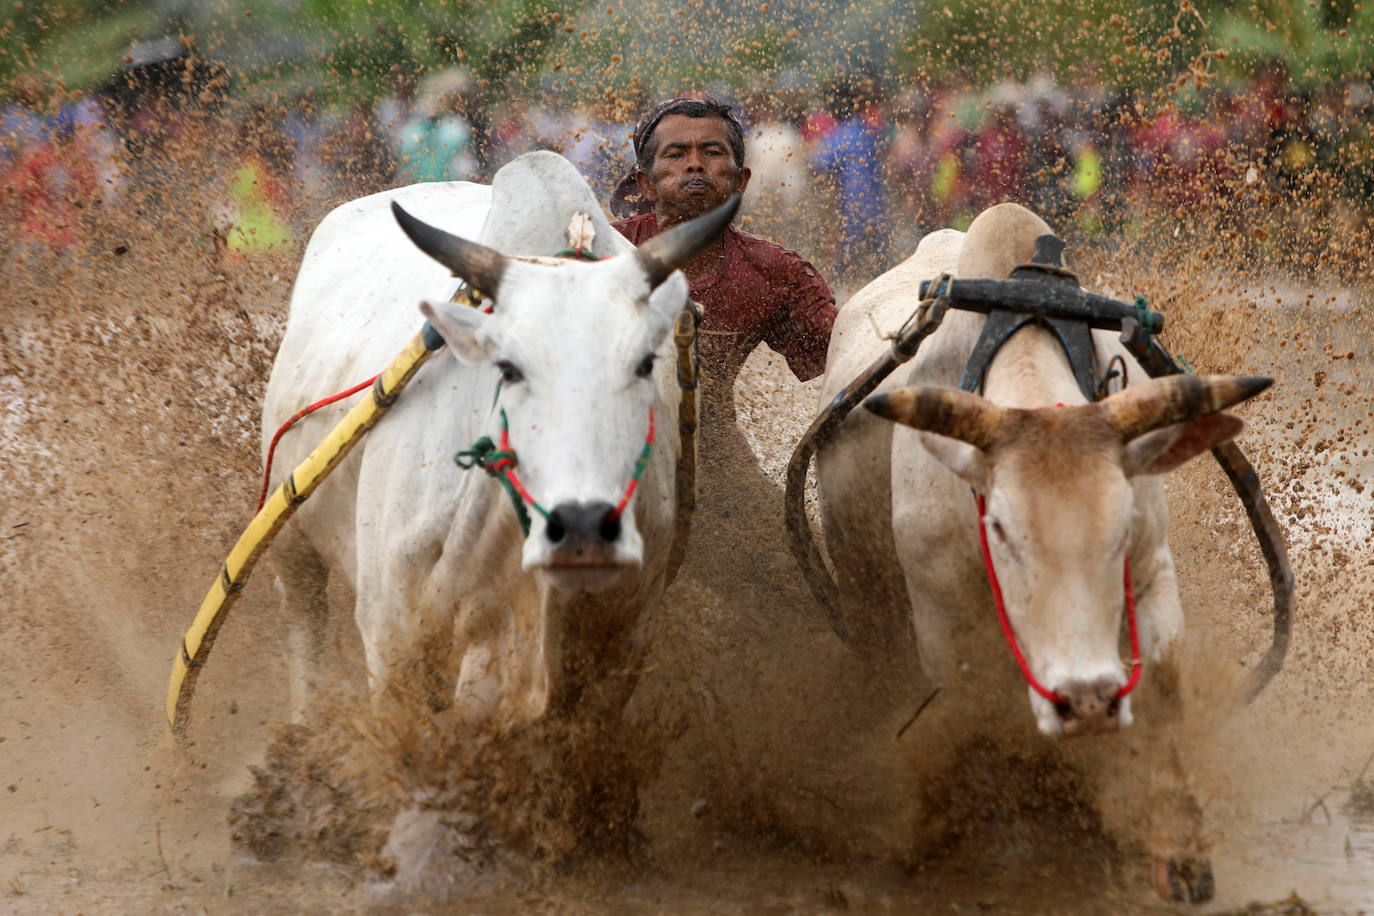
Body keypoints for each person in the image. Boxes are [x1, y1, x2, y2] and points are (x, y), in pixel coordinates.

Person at [609, 96, 838, 606]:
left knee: (795, 583)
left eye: (712, 152)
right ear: (645, 183)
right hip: (608, 451)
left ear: (741, 180)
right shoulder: (602, 256)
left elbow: (849, 354)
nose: (694, 163)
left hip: (711, 457)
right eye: (676, 154)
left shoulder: (775, 273)